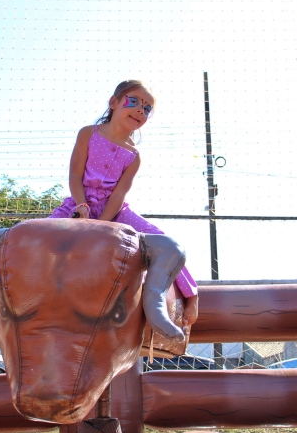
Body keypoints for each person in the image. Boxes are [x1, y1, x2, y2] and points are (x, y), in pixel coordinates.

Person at [50, 80, 199, 326]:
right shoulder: (89, 133)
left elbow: (118, 195)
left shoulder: (134, 156)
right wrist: (80, 206)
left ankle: (191, 294)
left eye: (147, 108)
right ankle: (7, 292)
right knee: (35, 235)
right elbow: (75, 176)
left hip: (115, 212)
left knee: (164, 242)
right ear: (113, 103)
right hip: (78, 205)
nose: (141, 110)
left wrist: (101, 225)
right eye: (134, 102)